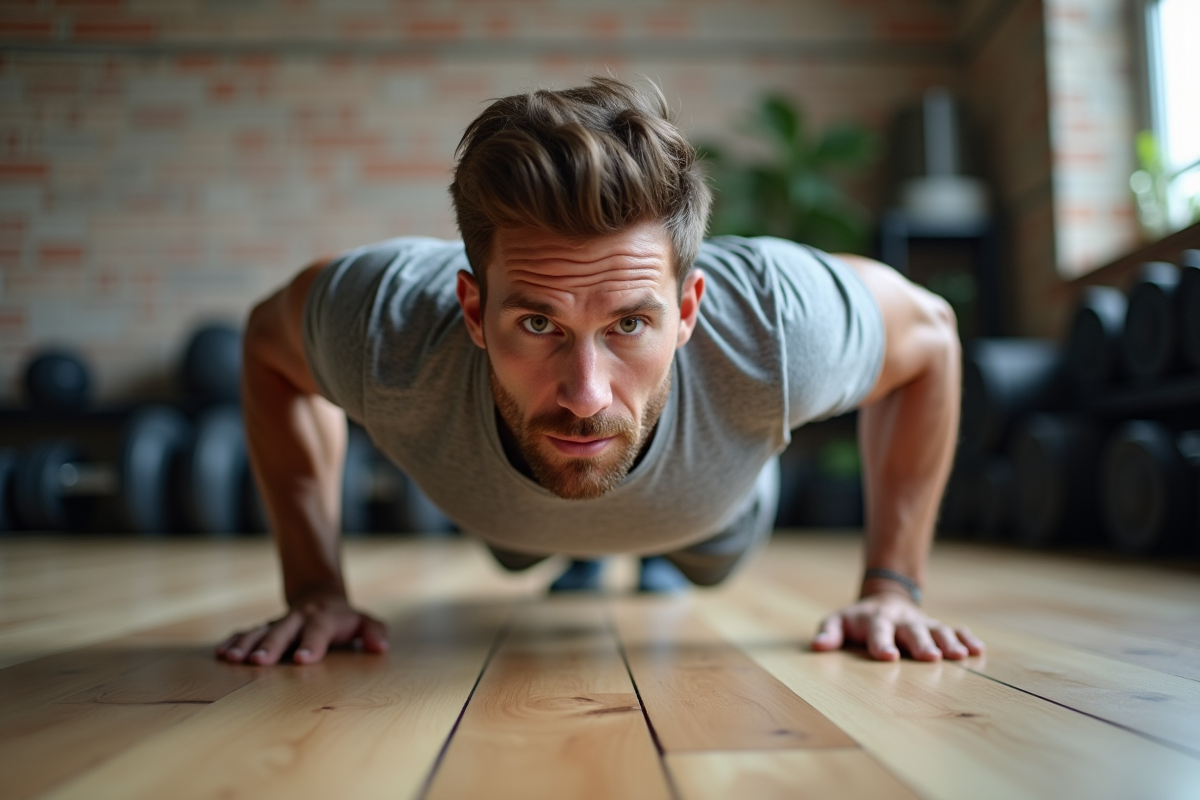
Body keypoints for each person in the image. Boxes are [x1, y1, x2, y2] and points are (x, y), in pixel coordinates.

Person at [216, 77, 985, 667]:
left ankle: (649, 564)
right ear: (473, 310)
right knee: (522, 548)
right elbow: (265, 343)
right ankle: (575, 561)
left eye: (630, 324)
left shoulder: (777, 326)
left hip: (705, 519)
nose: (586, 393)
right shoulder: (384, 322)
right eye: (539, 323)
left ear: (687, 309)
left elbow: (932, 337)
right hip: (508, 518)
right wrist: (314, 588)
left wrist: (894, 587)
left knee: (698, 565)